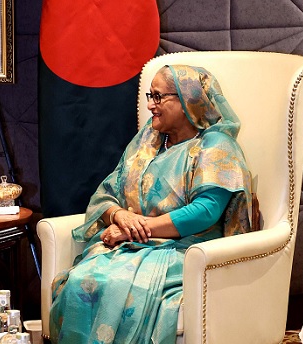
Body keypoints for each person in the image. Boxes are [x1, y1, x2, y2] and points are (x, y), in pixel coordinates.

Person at [49, 65, 253, 344]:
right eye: (150, 96)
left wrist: (135, 230)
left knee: (118, 286)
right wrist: (119, 215)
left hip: (185, 249)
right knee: (77, 283)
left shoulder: (215, 145)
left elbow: (206, 211)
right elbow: (107, 193)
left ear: (186, 100)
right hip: (131, 247)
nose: (150, 105)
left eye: (158, 97)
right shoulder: (149, 143)